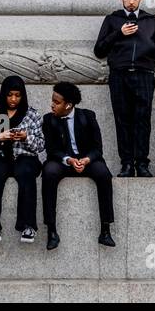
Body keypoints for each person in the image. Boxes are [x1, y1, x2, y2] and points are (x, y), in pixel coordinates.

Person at [91, 0, 155, 177]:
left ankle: (142, 163)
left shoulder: (150, 21)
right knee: (123, 120)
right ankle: (126, 163)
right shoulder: (112, 20)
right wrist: (119, 33)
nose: (131, 2)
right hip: (119, 75)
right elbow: (99, 50)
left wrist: (149, 44)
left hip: (144, 75)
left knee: (142, 120)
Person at [41, 82, 115, 250]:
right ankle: (51, 230)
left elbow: (98, 148)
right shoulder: (49, 119)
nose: (52, 105)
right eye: (52, 100)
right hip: (64, 162)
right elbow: (51, 150)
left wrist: (86, 160)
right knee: (49, 172)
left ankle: (105, 230)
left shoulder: (87, 116)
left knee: (104, 174)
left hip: (87, 161)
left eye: (57, 102)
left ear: (68, 105)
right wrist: (69, 160)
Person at [0, 75, 46, 243]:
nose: (13, 99)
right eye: (9, 95)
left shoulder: (31, 115)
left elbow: (41, 145)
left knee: (26, 173)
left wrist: (25, 137)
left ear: (23, 96)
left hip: (25, 157)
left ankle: (28, 226)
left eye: (17, 95)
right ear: (3, 94)